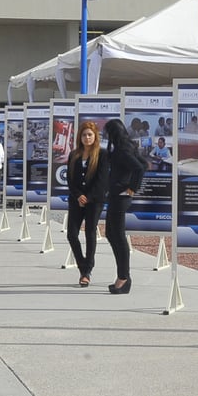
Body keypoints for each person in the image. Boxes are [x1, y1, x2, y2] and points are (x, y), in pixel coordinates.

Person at [102, 119, 146, 295]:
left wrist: (132, 188)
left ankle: (124, 278)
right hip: (116, 196)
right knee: (111, 234)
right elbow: (143, 164)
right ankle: (122, 276)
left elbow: (139, 169)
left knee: (118, 236)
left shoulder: (122, 151)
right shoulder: (123, 148)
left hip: (121, 197)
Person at [66, 121, 109, 287]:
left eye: (90, 134)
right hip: (76, 200)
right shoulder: (74, 154)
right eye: (84, 135)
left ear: (95, 136)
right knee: (71, 234)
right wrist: (78, 195)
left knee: (90, 232)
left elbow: (102, 181)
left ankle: (87, 271)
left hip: (94, 201)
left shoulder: (102, 154)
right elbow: (70, 179)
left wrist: (88, 197)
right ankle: (82, 265)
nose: (87, 137)